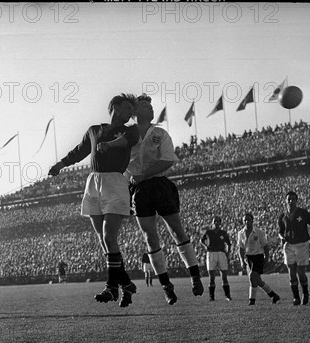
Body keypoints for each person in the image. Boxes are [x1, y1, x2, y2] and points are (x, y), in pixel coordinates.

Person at [48, 93, 139, 308]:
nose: (129, 114)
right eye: (127, 108)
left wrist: (110, 146)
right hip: (93, 182)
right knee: (102, 239)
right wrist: (60, 165)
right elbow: (80, 151)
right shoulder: (94, 130)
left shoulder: (130, 130)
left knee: (109, 236)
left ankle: (111, 287)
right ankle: (125, 284)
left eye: (131, 111)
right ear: (114, 107)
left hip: (115, 182)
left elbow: (126, 141)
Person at [124, 93, 204, 305]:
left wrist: (143, 175)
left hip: (160, 185)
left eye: (151, 106)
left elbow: (167, 160)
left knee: (176, 229)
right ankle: (167, 286)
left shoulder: (159, 133)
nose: (150, 109)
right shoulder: (127, 135)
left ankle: (195, 275)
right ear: (135, 112)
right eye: (144, 106)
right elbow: (120, 164)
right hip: (139, 190)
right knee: (150, 238)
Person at [278, 190, 310, 306]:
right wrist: (282, 237)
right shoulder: (282, 216)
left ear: (296, 200)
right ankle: (296, 297)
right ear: (285, 201)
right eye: (288, 199)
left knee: (301, 272)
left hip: (302, 244)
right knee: (291, 272)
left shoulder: (303, 213)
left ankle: (305, 293)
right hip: (289, 245)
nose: (290, 201)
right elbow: (280, 232)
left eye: (293, 199)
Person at [237, 213, 281, 305]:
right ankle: (273, 296)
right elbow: (240, 249)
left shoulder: (259, 232)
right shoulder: (240, 233)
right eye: (245, 220)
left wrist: (267, 258)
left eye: (248, 219)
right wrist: (242, 261)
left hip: (258, 256)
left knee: (253, 276)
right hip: (248, 257)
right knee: (255, 280)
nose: (246, 222)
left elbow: (265, 246)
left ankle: (251, 301)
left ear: (252, 221)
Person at [200, 216, 232, 301]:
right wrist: (205, 246)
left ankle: (228, 296)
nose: (216, 223)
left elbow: (229, 244)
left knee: (224, 276)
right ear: (212, 223)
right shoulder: (208, 232)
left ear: (220, 223)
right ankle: (212, 297)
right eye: (214, 221)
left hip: (221, 254)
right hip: (211, 254)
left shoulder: (223, 233)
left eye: (218, 221)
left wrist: (228, 254)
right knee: (211, 277)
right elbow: (201, 240)